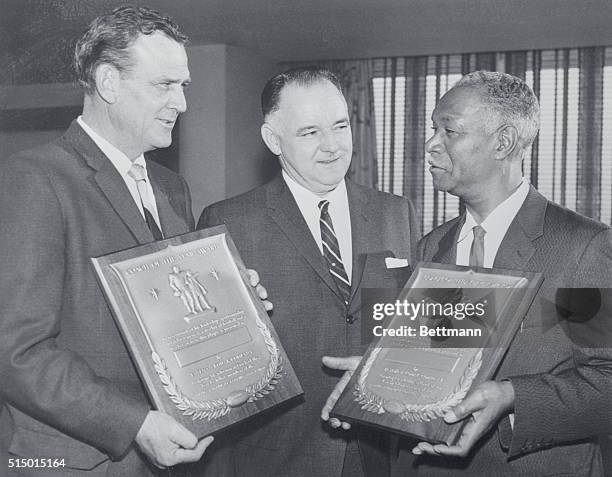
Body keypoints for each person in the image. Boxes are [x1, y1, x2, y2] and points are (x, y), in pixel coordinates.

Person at [0, 6, 270, 476]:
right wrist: (135, 423)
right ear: (108, 83)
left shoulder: (171, 188)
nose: (182, 103)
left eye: (183, 86)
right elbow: (17, 351)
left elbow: (165, 317)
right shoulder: (35, 178)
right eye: (164, 85)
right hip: (79, 461)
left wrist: (231, 302)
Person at [198, 67, 419, 477]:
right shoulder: (229, 220)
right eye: (310, 132)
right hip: (275, 456)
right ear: (272, 140)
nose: (332, 146)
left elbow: (410, 330)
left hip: (376, 452)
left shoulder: (395, 212)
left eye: (340, 126)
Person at [390, 71, 612, 476]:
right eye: (432, 129)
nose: (430, 145)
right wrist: (378, 375)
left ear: (503, 142)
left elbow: (608, 380)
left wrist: (511, 397)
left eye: (449, 131)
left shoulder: (583, 247)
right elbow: (422, 362)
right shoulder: (429, 248)